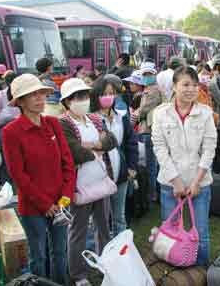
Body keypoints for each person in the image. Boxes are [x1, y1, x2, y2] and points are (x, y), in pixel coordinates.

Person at [2, 74, 76, 285]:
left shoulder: (53, 124)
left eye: (41, 93)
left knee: (60, 252)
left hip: (60, 204)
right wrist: (45, 204)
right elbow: (18, 174)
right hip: (34, 206)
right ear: (20, 101)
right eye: (32, 95)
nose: (39, 98)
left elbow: (67, 163)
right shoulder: (11, 132)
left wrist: (65, 197)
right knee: (38, 256)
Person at [152, 66, 217, 266]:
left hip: (200, 182)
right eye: (185, 84)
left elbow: (209, 148)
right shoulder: (161, 113)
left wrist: (196, 182)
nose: (191, 89)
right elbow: (160, 148)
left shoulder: (205, 113)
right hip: (170, 183)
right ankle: (172, 272)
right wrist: (176, 181)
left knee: (201, 232)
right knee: (170, 232)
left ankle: (201, 271)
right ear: (174, 86)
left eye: (195, 85)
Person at [58, 78, 117, 286]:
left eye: (84, 96)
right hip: (80, 186)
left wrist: (91, 144)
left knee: (103, 228)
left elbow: (111, 141)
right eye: (77, 97)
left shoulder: (94, 118)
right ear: (67, 102)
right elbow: (74, 153)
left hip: (100, 183)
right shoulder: (63, 123)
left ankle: (105, 264)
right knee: (78, 231)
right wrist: (97, 148)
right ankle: (78, 274)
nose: (82, 100)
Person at [90, 76, 138, 236]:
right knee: (101, 219)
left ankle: (121, 251)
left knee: (120, 217)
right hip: (99, 176)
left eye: (111, 93)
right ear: (96, 96)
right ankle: (104, 251)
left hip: (121, 174)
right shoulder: (91, 119)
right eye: (104, 93)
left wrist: (131, 167)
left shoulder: (121, 116)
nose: (108, 97)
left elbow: (131, 142)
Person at [132, 62, 165, 202]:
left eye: (149, 74)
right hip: (147, 129)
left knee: (151, 164)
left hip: (149, 130)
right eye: (144, 74)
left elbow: (144, 109)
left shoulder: (153, 91)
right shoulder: (149, 89)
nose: (146, 76)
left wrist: (135, 116)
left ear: (154, 74)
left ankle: (152, 194)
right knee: (152, 163)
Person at [0, 71, 20, 186]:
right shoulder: (19, 94)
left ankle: (6, 183)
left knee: (6, 156)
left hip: (3, 129)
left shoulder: (0, 94)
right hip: (18, 127)